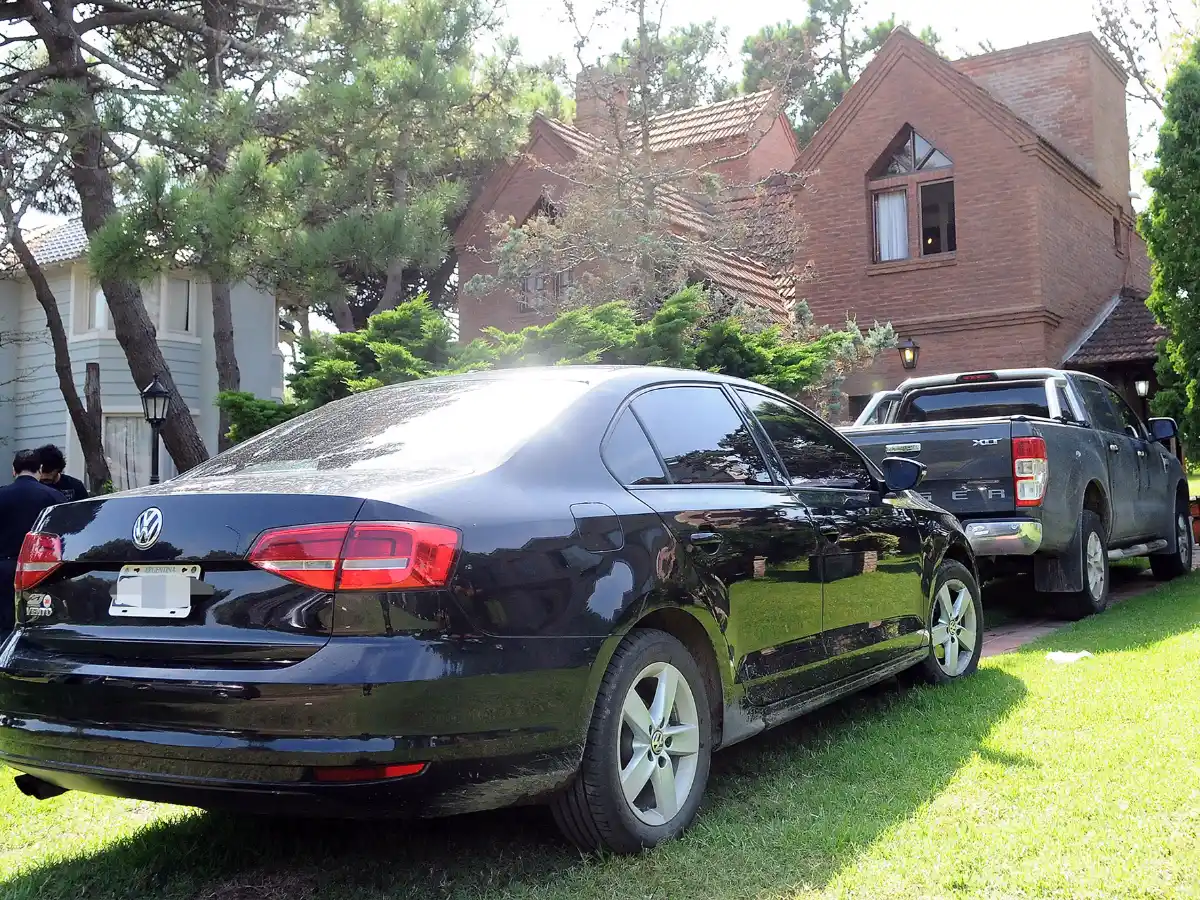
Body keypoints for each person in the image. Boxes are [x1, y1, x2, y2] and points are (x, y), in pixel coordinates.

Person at [0, 449, 66, 637]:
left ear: (14, 470)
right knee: (40, 621)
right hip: (43, 570)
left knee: (4, 623)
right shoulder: (55, 499)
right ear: (40, 469)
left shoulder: (2, 495)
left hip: (4, 566)